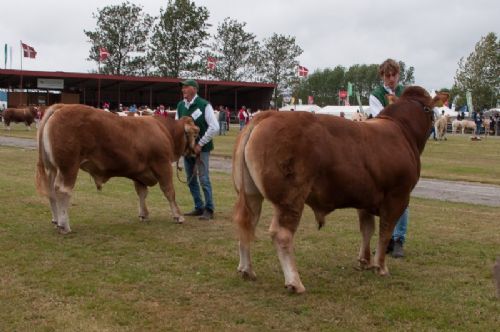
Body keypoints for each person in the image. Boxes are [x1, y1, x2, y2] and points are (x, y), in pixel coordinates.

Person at [368, 58, 408, 258]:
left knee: (401, 194)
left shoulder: (405, 93)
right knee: (381, 196)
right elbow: (382, 118)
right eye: (387, 75)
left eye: (394, 75)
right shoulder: (376, 95)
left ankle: (399, 238)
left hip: (402, 150)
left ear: (398, 75)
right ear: (382, 76)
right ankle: (388, 239)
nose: (391, 79)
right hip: (381, 150)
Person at [176, 79, 219, 220]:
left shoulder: (204, 105)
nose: (183, 90)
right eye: (182, 88)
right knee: (190, 178)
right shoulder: (180, 105)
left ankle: (209, 208)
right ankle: (198, 206)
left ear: (194, 89)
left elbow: (214, 127)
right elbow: (177, 127)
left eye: (186, 87)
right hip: (187, 150)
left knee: (204, 178)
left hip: (202, 149)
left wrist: (200, 144)